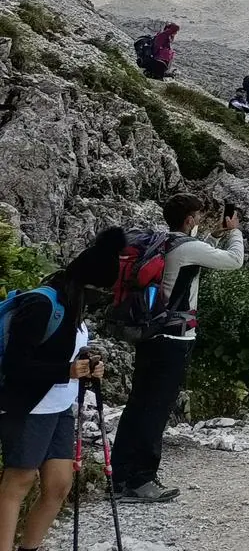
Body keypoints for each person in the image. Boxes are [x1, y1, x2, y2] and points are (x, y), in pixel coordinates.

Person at [111, 194, 245, 502]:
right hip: (175, 338)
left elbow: (194, 257)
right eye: (197, 216)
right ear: (189, 219)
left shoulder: (165, 242)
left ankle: (119, 476)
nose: (199, 220)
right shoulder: (187, 247)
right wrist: (235, 231)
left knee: (138, 406)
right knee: (156, 410)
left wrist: (214, 236)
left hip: (151, 334)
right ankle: (142, 480)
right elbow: (233, 261)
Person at [0, 228, 125, 551]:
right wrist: (67, 371)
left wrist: (88, 367)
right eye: (100, 291)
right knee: (20, 480)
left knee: (58, 485)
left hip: (59, 408)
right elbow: (16, 366)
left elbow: (66, 355)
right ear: (87, 284)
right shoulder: (42, 305)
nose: (102, 299)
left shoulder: (74, 309)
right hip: (29, 407)